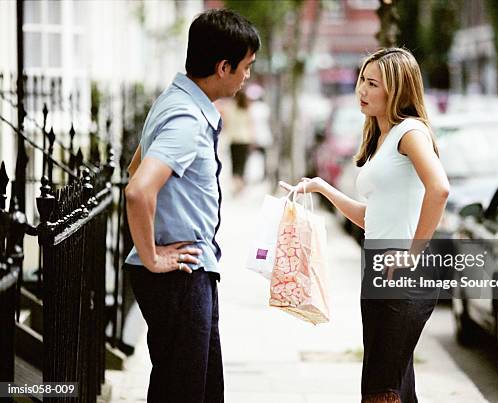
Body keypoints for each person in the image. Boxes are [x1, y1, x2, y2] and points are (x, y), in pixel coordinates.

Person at [280, 48, 450, 403]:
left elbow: (439, 188)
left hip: (402, 276)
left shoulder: (410, 132)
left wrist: (412, 254)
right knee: (395, 386)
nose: (362, 90)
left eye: (373, 84)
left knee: (381, 389)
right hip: (380, 270)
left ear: (397, 90)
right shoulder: (382, 138)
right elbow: (370, 218)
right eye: (362, 80)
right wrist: (322, 188)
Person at [123, 9, 259, 403]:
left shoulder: (178, 101)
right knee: (183, 391)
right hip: (180, 273)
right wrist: (152, 257)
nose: (247, 76)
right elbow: (138, 189)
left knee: (200, 389)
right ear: (223, 67)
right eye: (245, 67)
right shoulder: (186, 117)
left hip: (188, 271)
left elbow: (137, 165)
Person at [219, 90, 254, 194]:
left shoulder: (230, 107)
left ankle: (236, 183)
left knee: (234, 162)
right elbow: (251, 124)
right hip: (245, 139)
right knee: (242, 163)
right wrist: (252, 139)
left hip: (233, 139)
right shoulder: (247, 108)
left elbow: (225, 123)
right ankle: (240, 184)